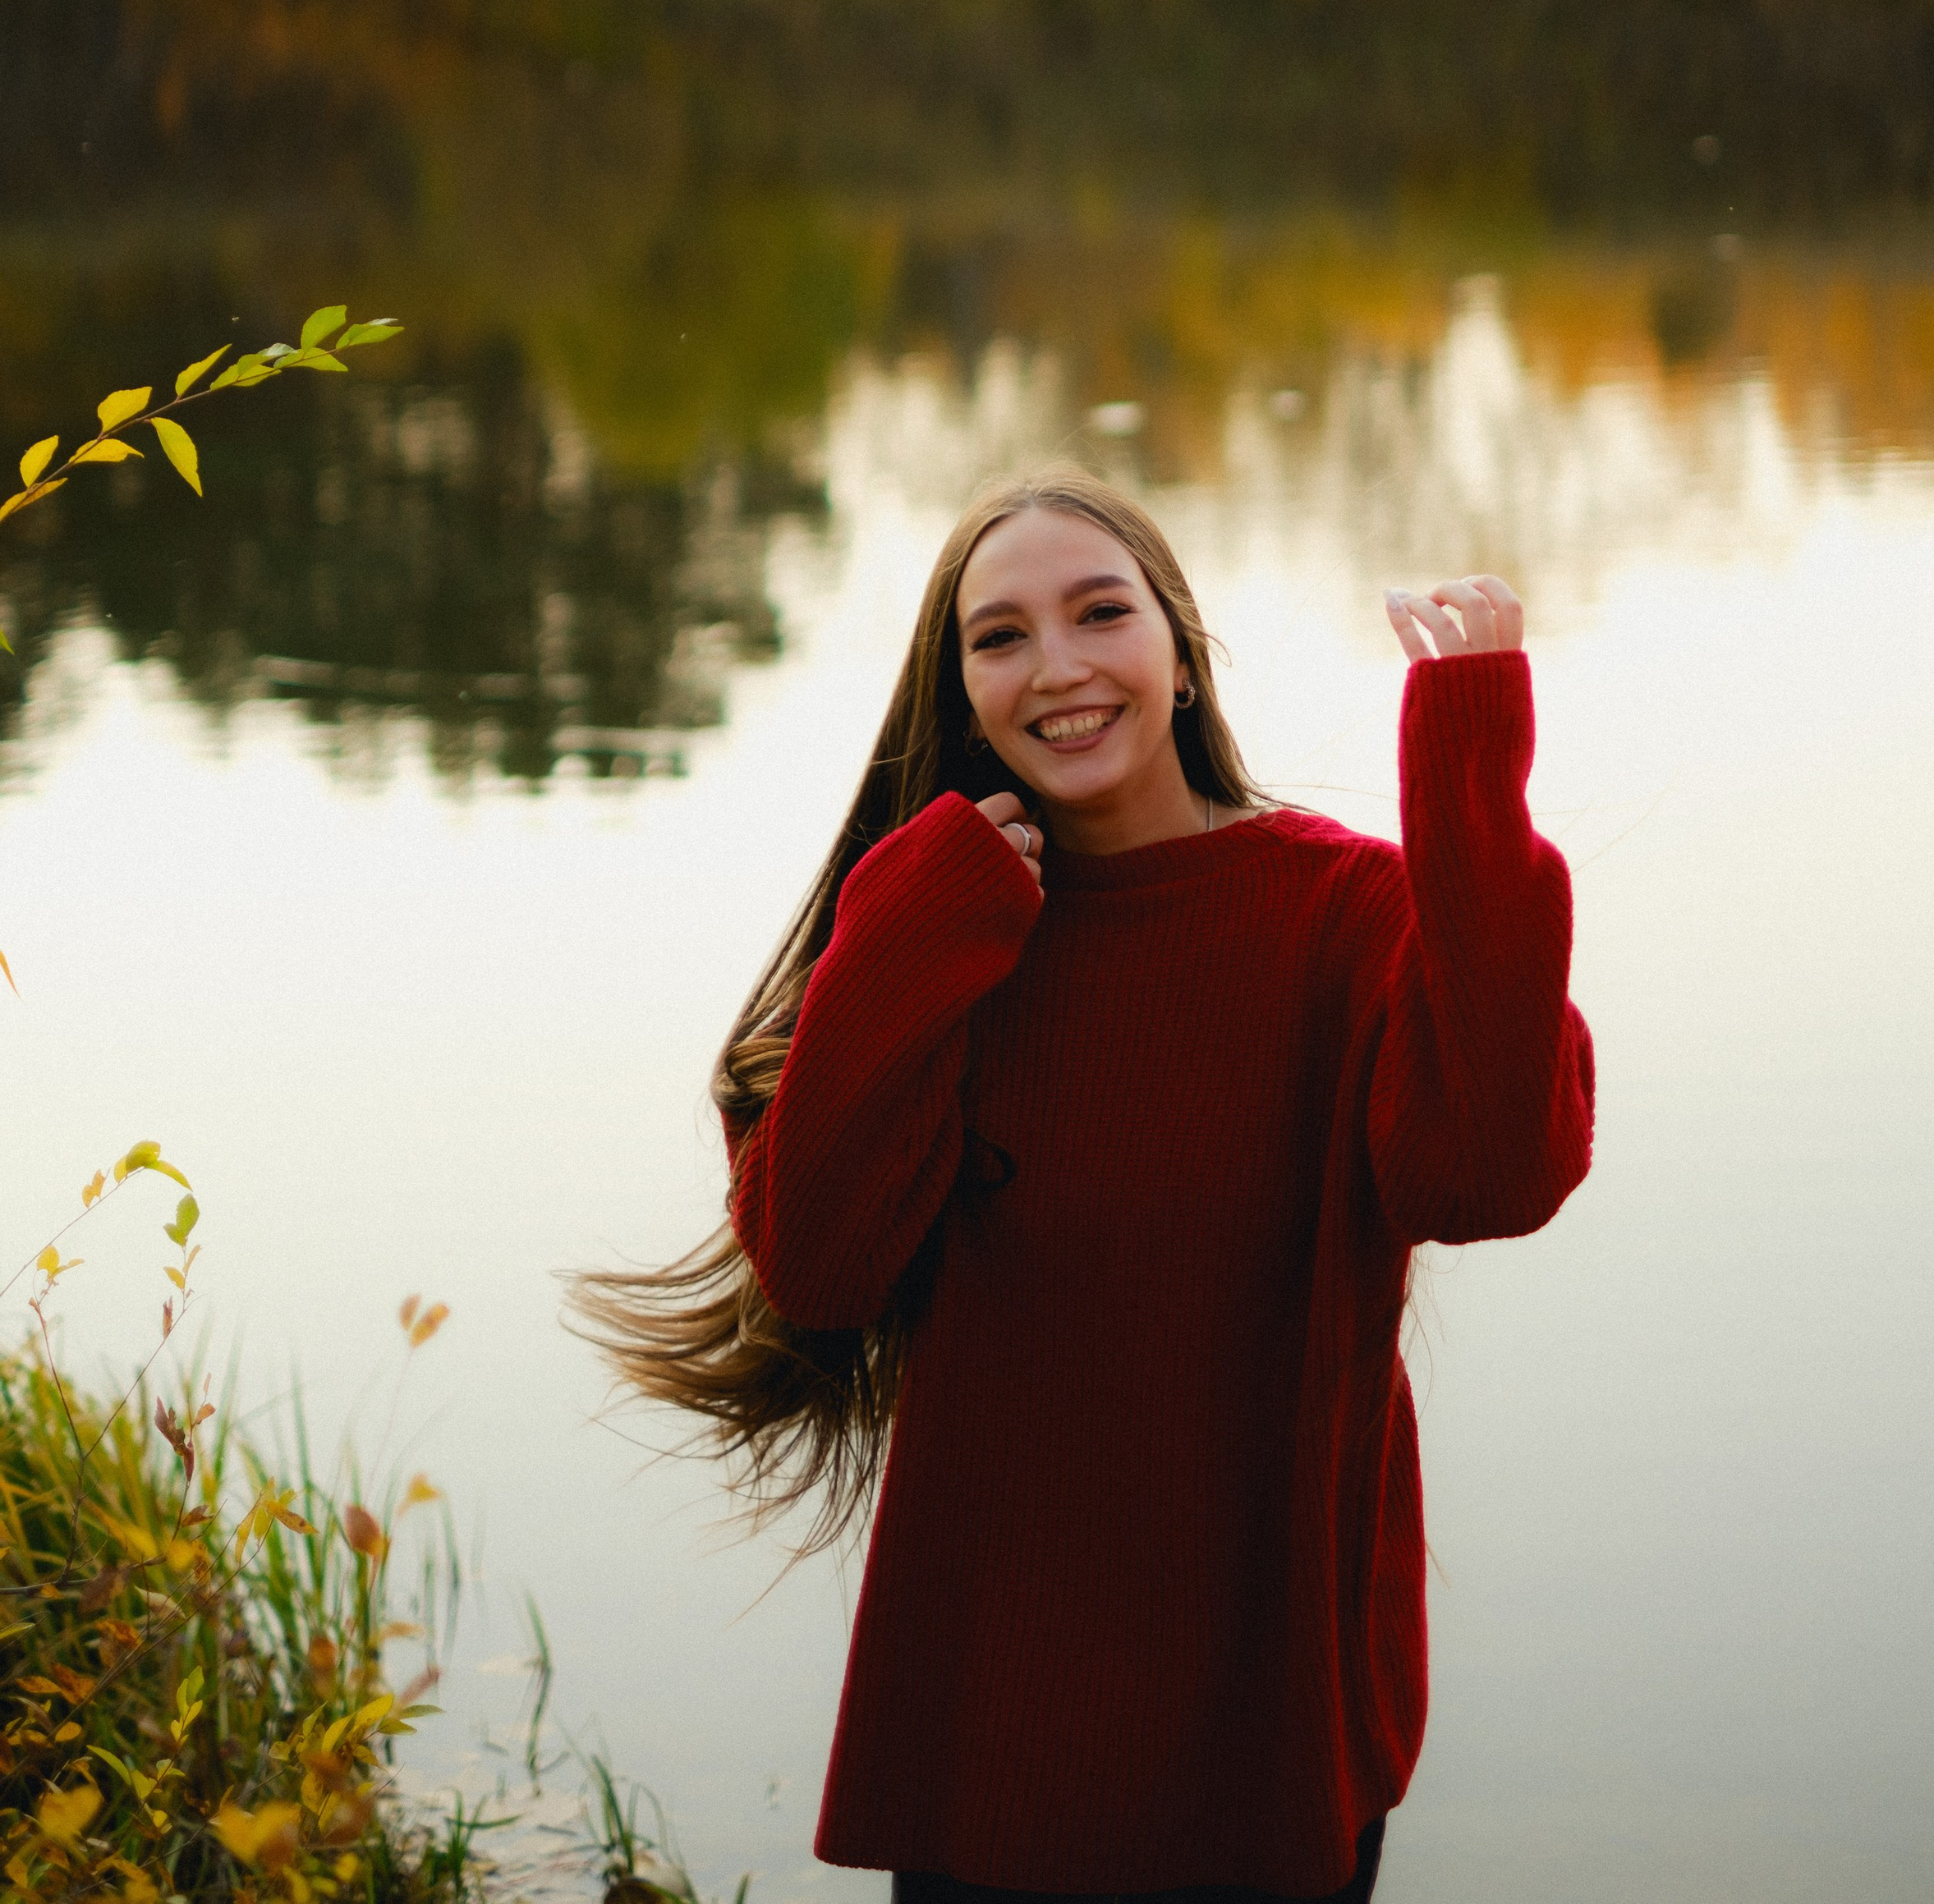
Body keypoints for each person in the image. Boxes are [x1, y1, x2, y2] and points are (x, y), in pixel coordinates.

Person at [576, 469, 1593, 1904]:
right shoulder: (940, 920)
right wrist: (908, 926)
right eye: (999, 637)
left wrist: (1473, 788)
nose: (1057, 667)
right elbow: (821, 1265)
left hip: (1273, 1718)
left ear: (1178, 651)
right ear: (962, 689)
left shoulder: (1344, 915)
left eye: (1100, 612)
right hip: (990, 1734)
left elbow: (1496, 1174)